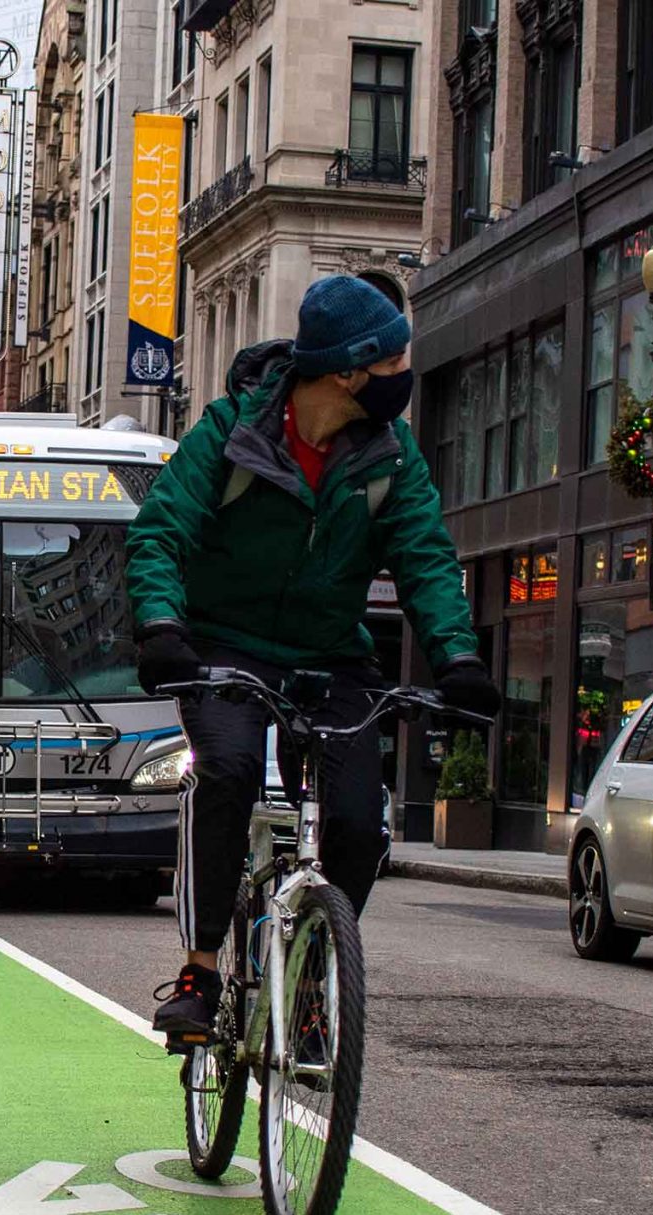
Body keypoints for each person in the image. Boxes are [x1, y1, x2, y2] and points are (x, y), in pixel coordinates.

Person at [126, 275, 501, 1044]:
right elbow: (161, 531)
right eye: (396, 361)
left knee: (362, 825)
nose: (407, 374)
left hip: (332, 659)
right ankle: (199, 968)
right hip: (223, 649)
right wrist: (163, 625)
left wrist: (458, 657)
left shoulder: (390, 460)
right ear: (347, 371)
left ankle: (310, 977)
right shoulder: (231, 434)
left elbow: (426, 559)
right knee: (224, 773)